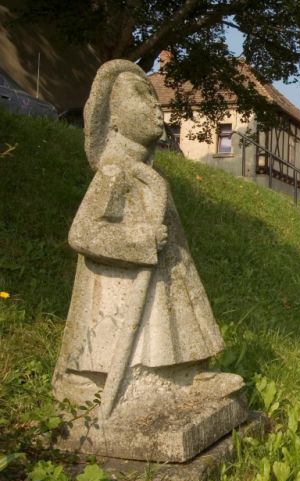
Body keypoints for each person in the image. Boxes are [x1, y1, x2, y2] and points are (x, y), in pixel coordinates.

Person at [52, 60, 239, 416]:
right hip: (117, 288)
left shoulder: (146, 175)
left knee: (177, 294)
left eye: (155, 100)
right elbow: (83, 232)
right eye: (141, 98)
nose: (155, 107)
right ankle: (101, 379)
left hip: (162, 275)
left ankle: (185, 370)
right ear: (115, 119)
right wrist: (137, 240)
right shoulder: (115, 172)